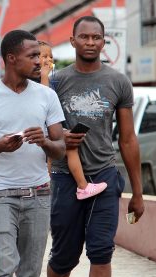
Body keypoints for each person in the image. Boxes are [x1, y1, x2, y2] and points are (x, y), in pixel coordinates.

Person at [47, 16, 145, 277]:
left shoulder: (118, 82)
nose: (90, 42)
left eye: (96, 38)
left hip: (104, 175)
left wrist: (138, 192)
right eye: (84, 37)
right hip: (65, 177)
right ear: (73, 41)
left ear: (104, 42)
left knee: (102, 250)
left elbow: (127, 139)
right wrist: (60, 138)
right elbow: (43, 130)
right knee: (64, 255)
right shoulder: (56, 82)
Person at [0, 30, 66, 277]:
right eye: (31, 56)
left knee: (30, 274)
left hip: (39, 193)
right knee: (3, 269)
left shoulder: (47, 96)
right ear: (11, 58)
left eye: (39, 56)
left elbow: (61, 149)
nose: (38, 61)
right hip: (0, 195)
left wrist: (44, 141)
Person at [39, 41, 107, 199]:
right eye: (44, 56)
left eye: (51, 56)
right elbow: (42, 98)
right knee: (62, 150)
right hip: (43, 126)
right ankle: (80, 186)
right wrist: (44, 75)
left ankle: (55, 185)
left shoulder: (51, 77)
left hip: (51, 125)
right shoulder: (38, 78)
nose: (48, 59)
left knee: (65, 149)